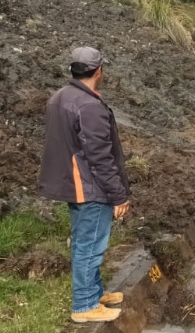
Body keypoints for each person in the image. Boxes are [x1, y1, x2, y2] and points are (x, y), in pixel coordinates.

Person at [39, 47, 130, 323]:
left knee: (85, 241)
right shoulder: (89, 106)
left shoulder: (61, 97)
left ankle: (95, 292)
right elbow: (100, 157)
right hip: (90, 187)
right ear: (99, 71)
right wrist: (118, 195)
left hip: (73, 182)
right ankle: (84, 306)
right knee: (90, 246)